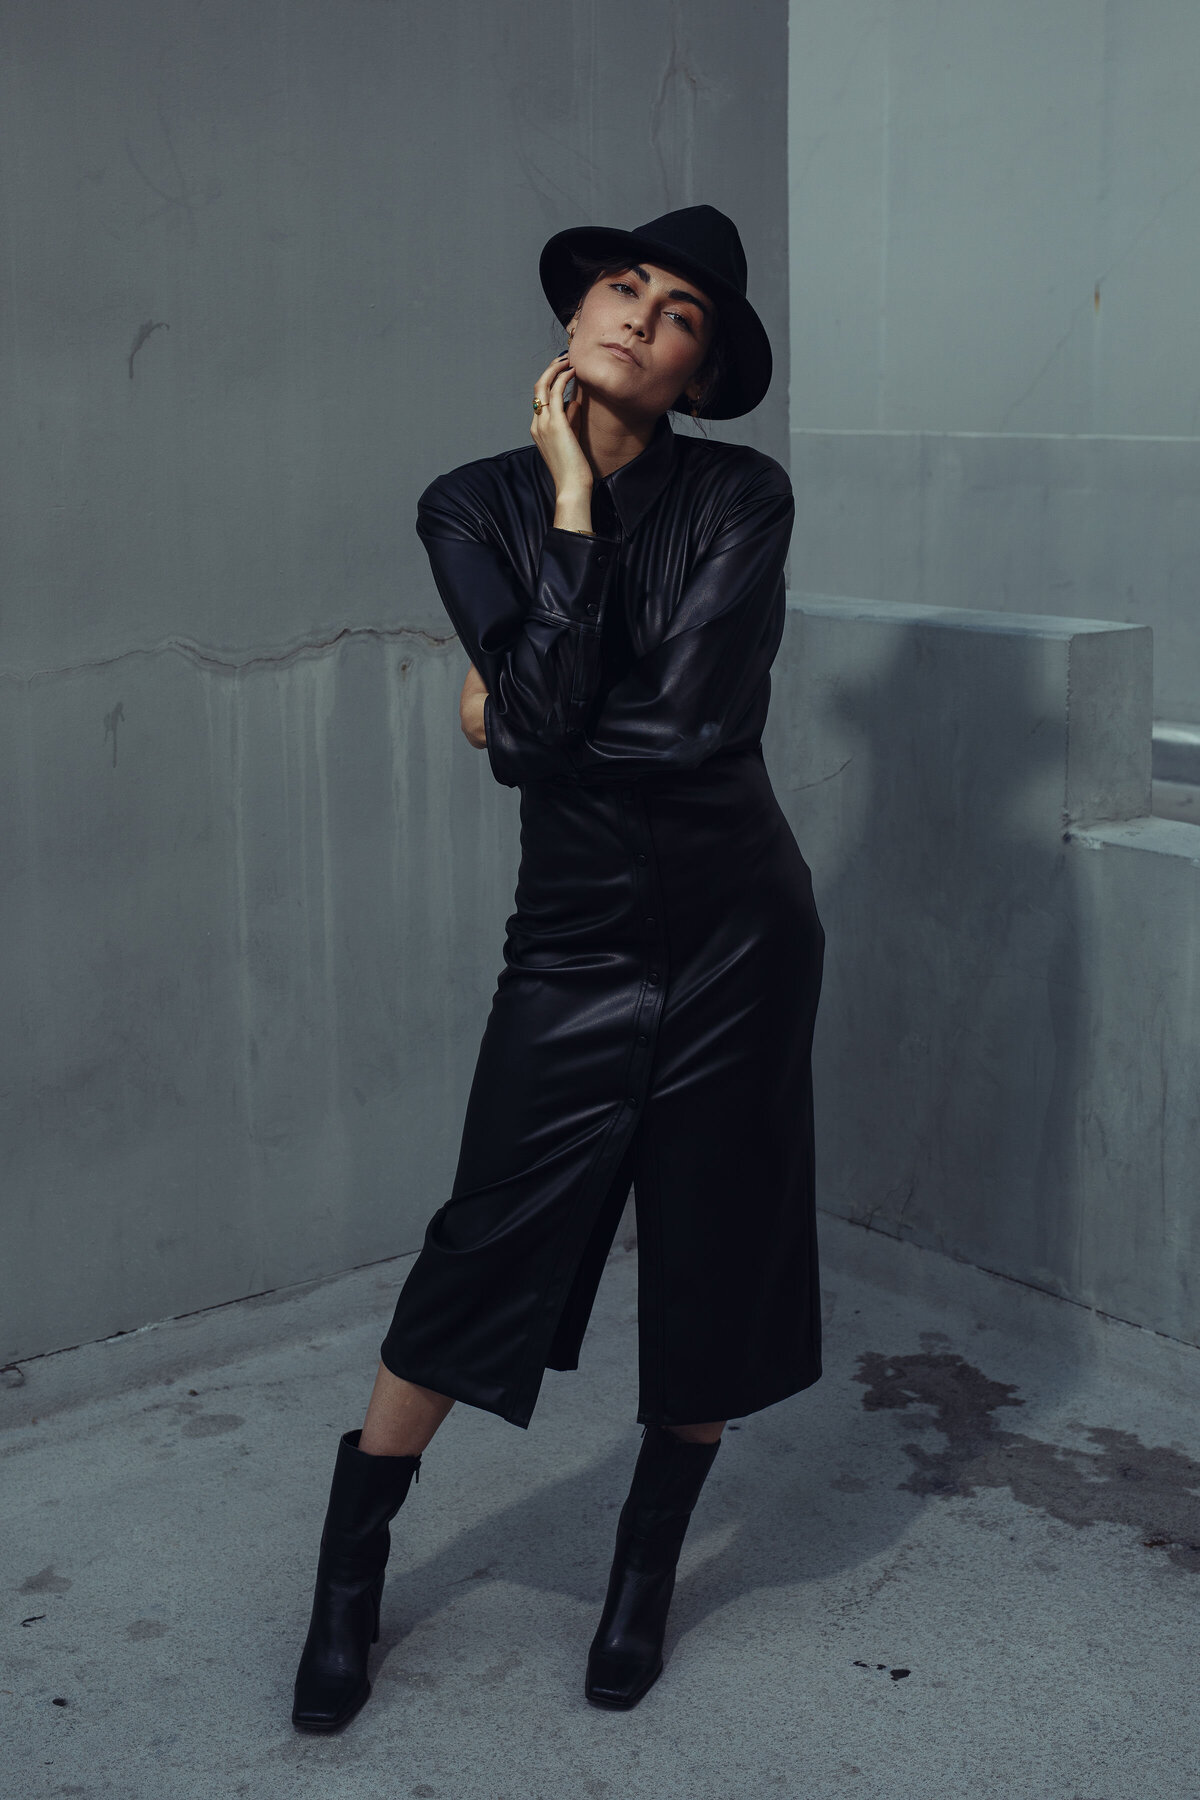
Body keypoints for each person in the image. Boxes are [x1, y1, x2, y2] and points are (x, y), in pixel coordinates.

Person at [290, 204, 826, 1733]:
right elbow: (543, 740)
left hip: (740, 932)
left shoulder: (743, 498)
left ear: (698, 378)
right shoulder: (472, 505)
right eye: (624, 288)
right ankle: (349, 1577)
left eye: (678, 319)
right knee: (485, 1239)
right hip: (575, 944)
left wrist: (516, 709)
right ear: (578, 317)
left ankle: (644, 1577)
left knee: (716, 1246)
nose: (640, 318)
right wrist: (574, 508)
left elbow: (673, 730)